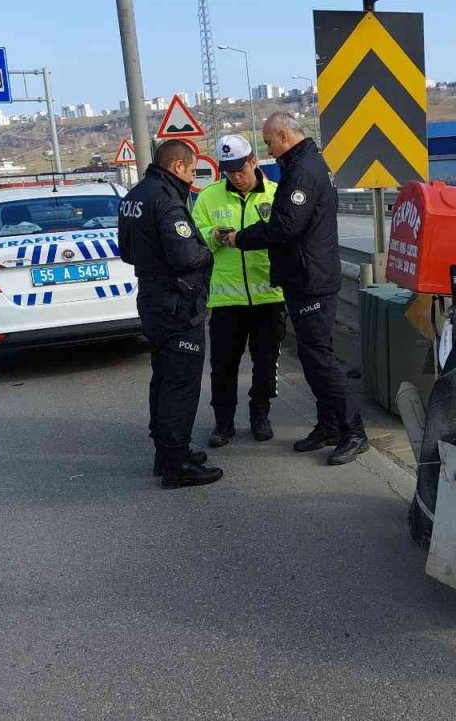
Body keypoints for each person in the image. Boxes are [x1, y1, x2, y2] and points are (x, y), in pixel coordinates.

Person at [221, 112, 368, 466]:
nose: (268, 149)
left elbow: (285, 226)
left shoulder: (303, 171)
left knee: (321, 359)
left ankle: (354, 432)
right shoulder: (303, 165)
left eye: (269, 141)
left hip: (311, 280)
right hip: (305, 276)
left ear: (284, 135)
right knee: (314, 358)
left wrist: (241, 237)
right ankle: (330, 425)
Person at [118, 140, 223, 488]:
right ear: (178, 166)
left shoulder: (134, 196)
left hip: (151, 298)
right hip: (177, 305)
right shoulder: (166, 200)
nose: (194, 177)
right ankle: (177, 465)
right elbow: (185, 255)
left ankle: (167, 454)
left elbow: (127, 252)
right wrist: (207, 253)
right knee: (180, 383)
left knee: (163, 378)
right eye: (192, 171)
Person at [191, 135, 286, 449]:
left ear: (254, 162)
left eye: (240, 168)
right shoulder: (208, 197)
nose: (235, 175)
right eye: (228, 170)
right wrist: (213, 235)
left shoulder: (276, 194)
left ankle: (260, 415)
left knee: (265, 363)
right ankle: (223, 424)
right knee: (223, 366)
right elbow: (192, 239)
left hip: (268, 298)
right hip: (226, 300)